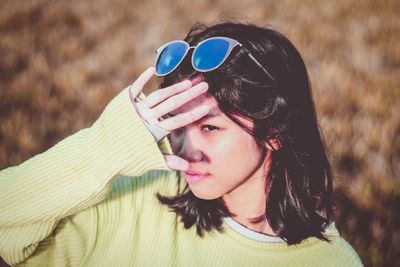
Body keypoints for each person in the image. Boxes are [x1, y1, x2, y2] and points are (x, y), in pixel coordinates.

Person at [0, 21, 362, 266]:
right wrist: (103, 151)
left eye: (210, 128)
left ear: (275, 131)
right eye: (177, 124)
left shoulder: (331, 261)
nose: (185, 149)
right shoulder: (131, 199)